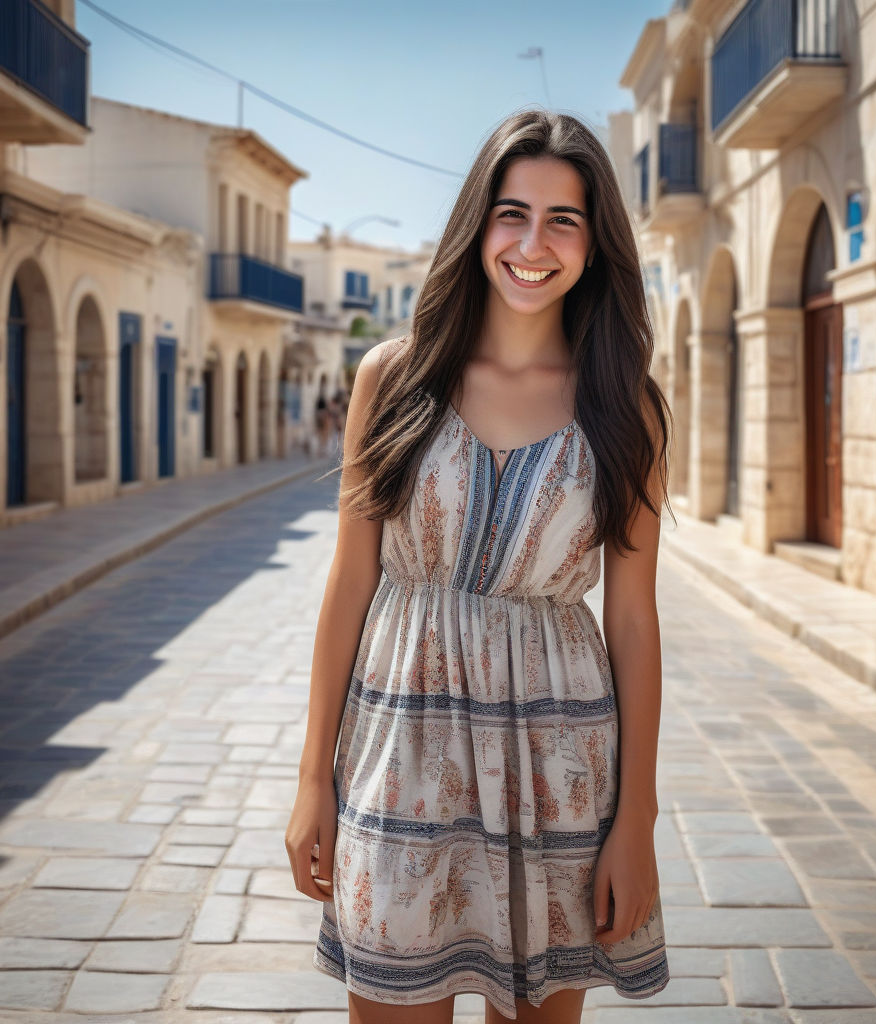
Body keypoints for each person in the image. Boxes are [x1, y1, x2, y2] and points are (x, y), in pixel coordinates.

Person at [285, 108, 674, 1024]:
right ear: (478, 222)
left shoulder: (628, 408)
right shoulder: (394, 376)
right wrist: (313, 780)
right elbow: (349, 584)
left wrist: (638, 820)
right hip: (401, 755)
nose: (533, 243)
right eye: (512, 213)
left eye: (563, 220)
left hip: (563, 766)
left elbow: (632, 619)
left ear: (592, 242)